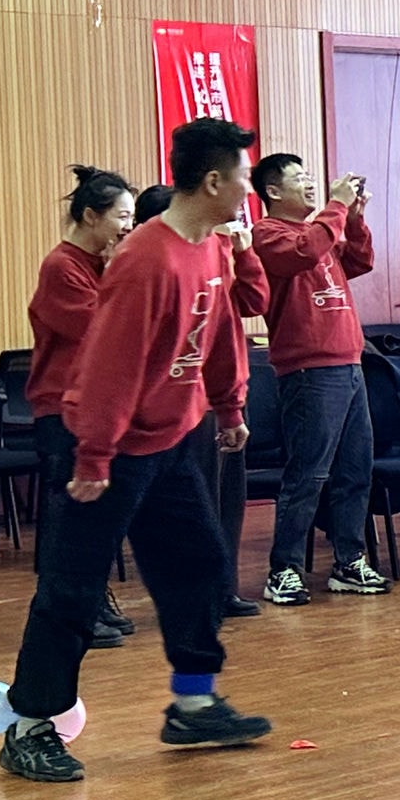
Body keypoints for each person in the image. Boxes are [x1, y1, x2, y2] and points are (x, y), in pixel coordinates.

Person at [0, 118, 273, 783]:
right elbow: (108, 365)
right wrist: (94, 455)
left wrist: (230, 406)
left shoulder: (212, 247)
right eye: (243, 178)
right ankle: (29, 727)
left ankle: (194, 703)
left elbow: (223, 333)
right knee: (74, 586)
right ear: (213, 181)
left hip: (171, 440)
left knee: (201, 565)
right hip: (113, 450)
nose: (249, 191)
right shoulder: (146, 260)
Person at [250, 154, 385, 606]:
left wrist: (356, 218)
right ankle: (283, 570)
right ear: (272, 191)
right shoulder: (268, 234)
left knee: (355, 470)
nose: (310, 183)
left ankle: (349, 561)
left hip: (349, 363)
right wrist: (337, 206)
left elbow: (359, 261)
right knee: (308, 473)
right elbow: (304, 253)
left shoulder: (319, 232)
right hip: (309, 369)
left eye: (310, 176)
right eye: (300, 178)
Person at [138, 182, 264, 619]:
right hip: (179, 403)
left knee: (227, 500)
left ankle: (223, 588)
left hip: (220, 399)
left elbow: (254, 301)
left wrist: (244, 253)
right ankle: (193, 595)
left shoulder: (213, 253)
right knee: (193, 506)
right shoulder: (151, 264)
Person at [28, 165, 139, 649]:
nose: (129, 228)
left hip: (95, 405)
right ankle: (69, 610)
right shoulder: (62, 266)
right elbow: (103, 331)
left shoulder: (99, 263)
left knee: (96, 513)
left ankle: (91, 597)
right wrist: (116, 272)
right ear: (91, 216)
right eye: (122, 217)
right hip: (61, 406)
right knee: (67, 515)